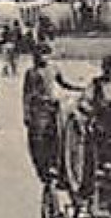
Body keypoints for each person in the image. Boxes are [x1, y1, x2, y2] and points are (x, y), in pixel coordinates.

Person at [22, 45, 79, 183]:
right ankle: (42, 168)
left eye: (46, 54)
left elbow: (63, 83)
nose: (43, 57)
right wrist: (26, 113)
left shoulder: (53, 68)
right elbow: (26, 94)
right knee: (37, 139)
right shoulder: (31, 73)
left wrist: (78, 88)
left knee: (57, 137)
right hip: (38, 108)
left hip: (53, 107)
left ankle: (55, 167)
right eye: (40, 55)